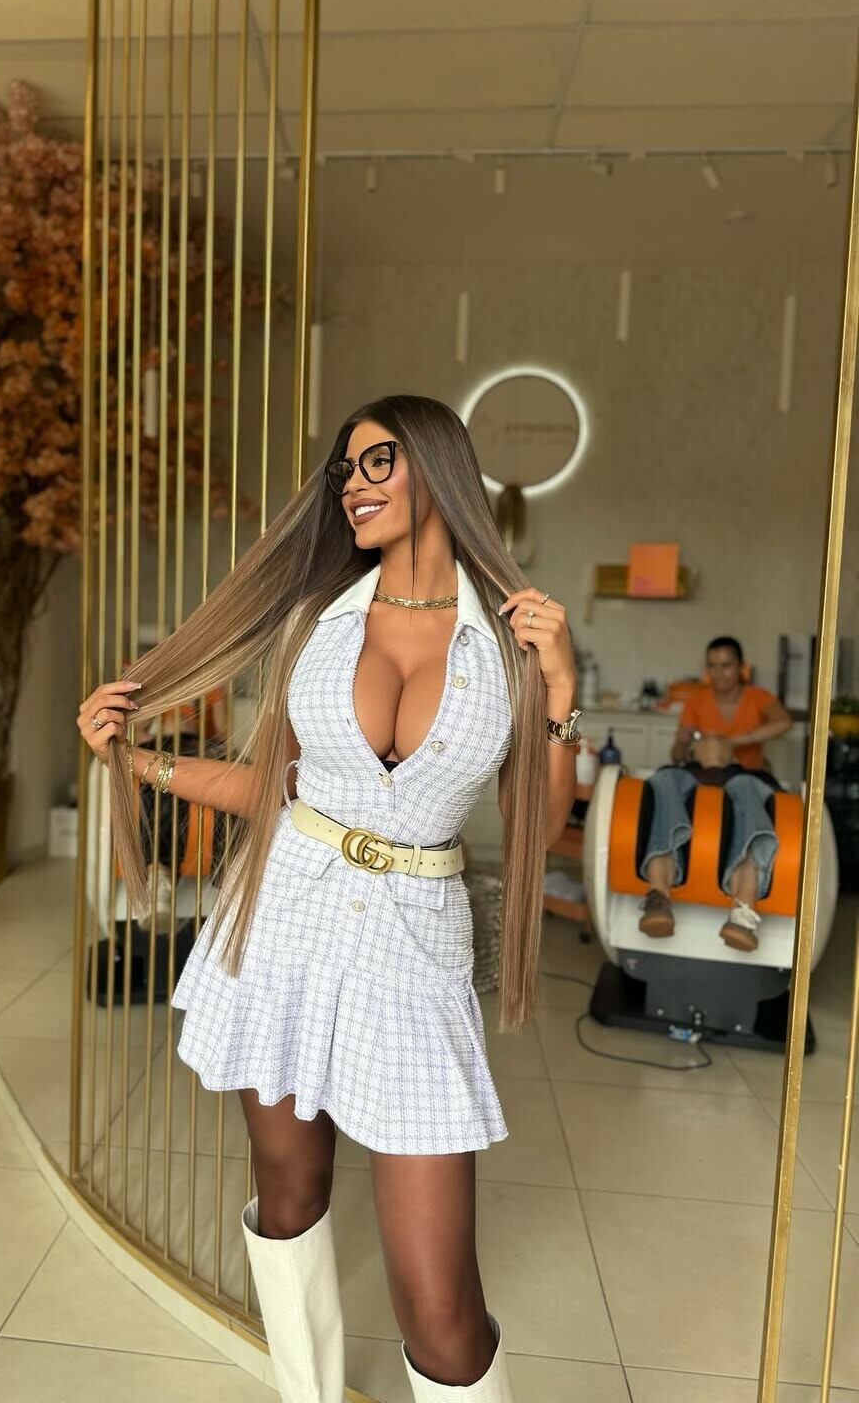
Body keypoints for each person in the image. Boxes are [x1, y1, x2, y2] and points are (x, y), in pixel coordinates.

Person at [78, 396, 578, 1403]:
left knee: (439, 1301)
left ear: (438, 464)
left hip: (414, 950)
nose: (353, 484)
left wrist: (562, 694)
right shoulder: (318, 619)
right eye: (345, 469)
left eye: (378, 461)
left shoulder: (513, 639)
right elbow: (279, 788)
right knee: (290, 1194)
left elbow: (538, 823)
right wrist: (135, 760)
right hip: (285, 922)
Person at [639, 636, 793, 951]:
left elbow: (784, 722)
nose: (719, 673)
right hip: (697, 772)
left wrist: (732, 741)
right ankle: (658, 897)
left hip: (742, 773)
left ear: (741, 668)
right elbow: (676, 753)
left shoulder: (757, 698)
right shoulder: (697, 701)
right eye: (713, 666)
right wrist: (684, 742)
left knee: (745, 790)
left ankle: (743, 912)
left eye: (726, 666)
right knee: (664, 780)